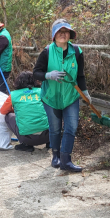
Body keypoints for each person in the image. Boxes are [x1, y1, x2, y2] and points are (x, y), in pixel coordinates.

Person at [33, 19, 89, 172]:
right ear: (54, 34)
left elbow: (81, 75)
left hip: (70, 97)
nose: (63, 34)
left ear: (70, 34)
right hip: (51, 97)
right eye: (60, 31)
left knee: (71, 127)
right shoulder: (47, 52)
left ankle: (66, 160)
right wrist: (49, 75)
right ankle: (55, 156)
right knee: (55, 129)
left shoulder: (77, 52)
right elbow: (36, 74)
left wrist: (85, 92)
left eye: (66, 32)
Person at [0, 71, 50, 152]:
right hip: (48, 135)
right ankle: (50, 143)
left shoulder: (14, 95)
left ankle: (26, 145)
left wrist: (17, 109)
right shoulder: (42, 91)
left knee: (8, 116)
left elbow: (3, 111)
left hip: (28, 139)